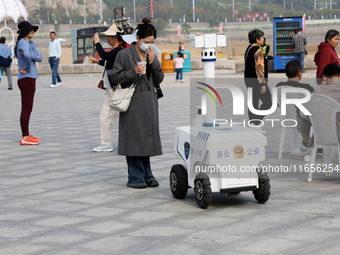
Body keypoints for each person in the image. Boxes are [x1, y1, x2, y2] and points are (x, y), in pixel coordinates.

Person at [111, 18, 164, 189]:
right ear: (138, 38)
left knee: (146, 139)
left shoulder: (152, 53)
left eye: (152, 42)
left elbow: (160, 78)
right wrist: (133, 72)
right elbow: (115, 77)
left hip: (149, 101)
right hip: (133, 102)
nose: (149, 45)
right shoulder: (124, 55)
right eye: (146, 41)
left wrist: (154, 61)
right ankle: (135, 176)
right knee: (134, 139)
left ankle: (147, 174)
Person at [89, 24, 125, 152]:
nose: (107, 39)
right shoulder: (117, 51)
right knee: (108, 117)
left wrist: (97, 43)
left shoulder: (119, 50)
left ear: (115, 38)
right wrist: (97, 62)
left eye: (109, 37)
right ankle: (107, 143)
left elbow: (105, 56)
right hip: (112, 89)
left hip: (116, 90)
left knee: (106, 116)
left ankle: (106, 143)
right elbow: (108, 61)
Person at [294, 63, 340, 156]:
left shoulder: (319, 90)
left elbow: (301, 105)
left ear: (324, 77)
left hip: (323, 135)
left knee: (301, 109)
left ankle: (306, 144)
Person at [275, 60, 314, 156]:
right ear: (300, 74)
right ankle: (313, 145)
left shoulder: (278, 87)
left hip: (287, 121)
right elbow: (313, 105)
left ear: (285, 73)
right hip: (303, 123)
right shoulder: (306, 88)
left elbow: (278, 104)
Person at [14, 21, 42, 145]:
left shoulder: (30, 43)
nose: (32, 31)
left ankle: (27, 133)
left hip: (30, 78)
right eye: (30, 30)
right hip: (26, 78)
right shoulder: (22, 42)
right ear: (25, 31)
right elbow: (29, 57)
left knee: (28, 108)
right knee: (26, 109)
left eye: (33, 30)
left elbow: (39, 57)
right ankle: (24, 136)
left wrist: (30, 55)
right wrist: (27, 67)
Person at [244, 29, 272, 134]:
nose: (263, 39)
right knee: (268, 102)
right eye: (262, 37)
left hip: (248, 80)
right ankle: (255, 123)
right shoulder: (258, 50)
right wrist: (263, 84)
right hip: (256, 81)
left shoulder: (249, 48)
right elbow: (259, 69)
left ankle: (253, 125)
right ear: (257, 39)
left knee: (253, 103)